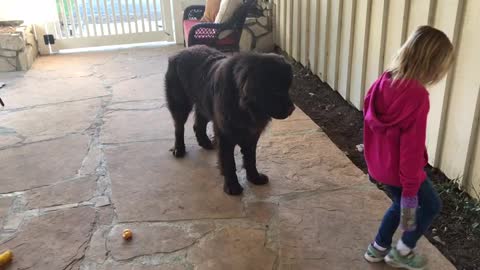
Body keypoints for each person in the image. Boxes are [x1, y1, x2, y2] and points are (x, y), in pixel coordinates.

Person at [362, 25, 454, 270]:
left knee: (398, 204)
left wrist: (372, 163)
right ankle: (402, 251)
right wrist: (411, 187)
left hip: (381, 166)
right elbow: (411, 149)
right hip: (402, 173)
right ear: (433, 64)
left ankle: (378, 248)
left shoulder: (383, 81)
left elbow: (369, 124)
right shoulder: (417, 96)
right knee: (431, 204)